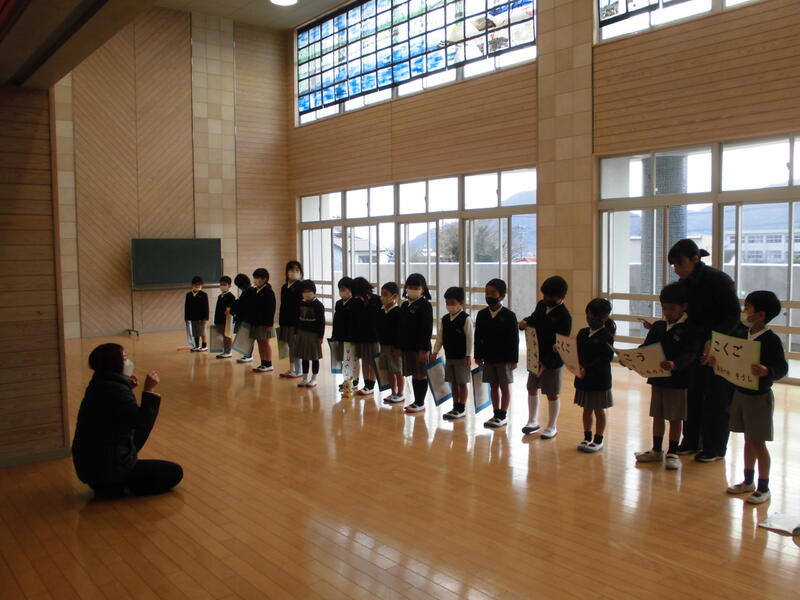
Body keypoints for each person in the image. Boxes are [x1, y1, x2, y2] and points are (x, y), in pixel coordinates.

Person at [706, 291, 788, 504]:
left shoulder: (770, 340)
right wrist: (715, 360)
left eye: (748, 308)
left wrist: (767, 371)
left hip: (759, 397)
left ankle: (764, 487)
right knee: (747, 440)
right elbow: (731, 359)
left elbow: (782, 367)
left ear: (760, 315)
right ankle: (748, 480)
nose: (744, 311)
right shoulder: (742, 334)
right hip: (740, 393)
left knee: (758, 442)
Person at [72, 343, 182, 498]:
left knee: (131, 441)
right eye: (124, 358)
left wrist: (127, 387)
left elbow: (117, 411)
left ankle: (109, 482)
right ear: (113, 363)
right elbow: (142, 422)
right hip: (107, 467)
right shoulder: (115, 390)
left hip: (91, 465)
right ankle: (116, 487)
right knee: (174, 472)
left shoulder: (100, 383)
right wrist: (149, 390)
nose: (128, 362)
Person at [667, 239, 740, 462]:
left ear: (695, 259)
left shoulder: (719, 280)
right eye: (674, 265)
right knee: (693, 395)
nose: (676, 269)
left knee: (717, 399)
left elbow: (733, 316)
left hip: (720, 346)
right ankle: (691, 441)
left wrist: (714, 340)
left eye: (680, 264)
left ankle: (714, 448)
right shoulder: (685, 283)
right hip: (695, 345)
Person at [634, 282, 699, 470]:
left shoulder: (690, 328)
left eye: (672, 308)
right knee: (657, 414)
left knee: (675, 418)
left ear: (683, 307)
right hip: (657, 379)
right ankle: (656, 450)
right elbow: (645, 348)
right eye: (664, 308)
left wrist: (675, 364)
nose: (667, 312)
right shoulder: (658, 327)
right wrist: (631, 359)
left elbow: (691, 354)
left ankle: (672, 451)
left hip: (678, 381)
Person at [518, 275, 571, 438]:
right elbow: (534, 319)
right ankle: (532, 420)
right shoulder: (542, 305)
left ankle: (552, 426)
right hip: (536, 356)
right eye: (545, 295)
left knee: (552, 393)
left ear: (562, 296)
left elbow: (561, 345)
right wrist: (525, 322)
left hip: (552, 362)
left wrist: (546, 364)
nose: (547, 298)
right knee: (531, 388)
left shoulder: (565, 316)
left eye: (551, 296)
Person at [474, 278, 519, 428]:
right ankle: (495, 413)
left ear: (502, 296)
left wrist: (513, 359)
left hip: (504, 358)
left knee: (504, 386)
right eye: (487, 293)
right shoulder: (482, 314)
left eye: (493, 293)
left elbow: (514, 340)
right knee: (493, 386)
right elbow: (478, 336)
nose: (489, 296)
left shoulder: (509, 315)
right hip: (488, 357)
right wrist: (478, 355)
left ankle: (502, 415)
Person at [574, 298, 615, 453]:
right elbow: (575, 351)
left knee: (599, 410)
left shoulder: (607, 335)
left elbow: (605, 358)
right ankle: (587, 436)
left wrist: (588, 368)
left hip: (599, 379)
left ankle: (598, 439)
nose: (590, 317)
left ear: (604, 317)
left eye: (593, 315)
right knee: (586, 409)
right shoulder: (583, 333)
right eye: (588, 314)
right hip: (583, 377)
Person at [433, 286, 473, 420]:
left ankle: (462, 408)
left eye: (452, 302)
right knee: (453, 383)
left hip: (462, 358)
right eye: (447, 303)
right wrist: (435, 351)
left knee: (462, 383)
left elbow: (470, 339)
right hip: (449, 356)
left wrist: (468, 355)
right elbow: (440, 336)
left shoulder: (466, 319)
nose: (449, 305)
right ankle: (455, 406)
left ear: (460, 303)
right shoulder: (445, 319)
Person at [400, 273, 434, 414]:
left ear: (423, 289)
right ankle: (416, 401)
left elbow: (427, 329)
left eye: (416, 287)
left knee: (421, 374)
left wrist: (424, 349)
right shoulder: (404, 305)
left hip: (420, 347)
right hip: (408, 346)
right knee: (414, 374)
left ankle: (420, 402)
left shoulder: (425, 305)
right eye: (410, 287)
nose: (412, 290)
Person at [352, 276, 382, 397]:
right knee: (365, 360)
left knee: (373, 361)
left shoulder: (377, 300)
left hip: (374, 337)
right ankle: (366, 385)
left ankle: (371, 385)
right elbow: (355, 320)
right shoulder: (356, 302)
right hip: (362, 336)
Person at [331, 277, 362, 390]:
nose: (342, 292)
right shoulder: (339, 303)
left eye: (344, 289)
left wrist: (356, 337)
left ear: (350, 290)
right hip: (341, 336)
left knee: (354, 359)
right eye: (340, 289)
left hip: (352, 337)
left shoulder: (356, 303)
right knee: (345, 359)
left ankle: (355, 380)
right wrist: (334, 335)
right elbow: (336, 320)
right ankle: (346, 379)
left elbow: (357, 322)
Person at [295, 279, 326, 388]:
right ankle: (304, 378)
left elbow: (322, 322)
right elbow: (297, 318)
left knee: (314, 357)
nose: (306, 293)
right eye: (304, 291)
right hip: (302, 333)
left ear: (313, 291)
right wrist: (296, 332)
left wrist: (320, 336)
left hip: (313, 335)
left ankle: (314, 378)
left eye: (308, 290)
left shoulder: (318, 305)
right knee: (304, 356)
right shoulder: (301, 303)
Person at [378, 282, 404, 403]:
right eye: (381, 293)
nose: (382, 296)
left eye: (385, 294)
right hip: (384, 345)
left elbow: (400, 332)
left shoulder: (398, 312)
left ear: (394, 296)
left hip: (394, 347)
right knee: (389, 370)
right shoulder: (382, 310)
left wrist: (398, 347)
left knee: (397, 370)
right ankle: (393, 392)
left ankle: (400, 393)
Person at [278, 260, 304, 379]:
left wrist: (299, 324)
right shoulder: (284, 287)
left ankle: (299, 370)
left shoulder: (300, 287)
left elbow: (301, 307)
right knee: (289, 345)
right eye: (292, 270)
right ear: (287, 272)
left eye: (297, 270)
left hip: (296, 322)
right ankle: (292, 368)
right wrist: (281, 322)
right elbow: (282, 305)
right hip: (286, 321)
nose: (294, 272)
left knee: (295, 346)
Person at [251, 267, 276, 373]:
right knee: (260, 343)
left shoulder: (268, 292)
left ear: (264, 279)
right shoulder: (255, 290)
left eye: (257, 278)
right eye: (255, 277)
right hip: (257, 322)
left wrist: (269, 324)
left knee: (265, 343)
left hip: (265, 323)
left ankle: (269, 363)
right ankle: (263, 363)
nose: (255, 280)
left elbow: (271, 309)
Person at [231, 273, 256, 363]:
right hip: (244, 318)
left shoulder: (250, 291)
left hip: (248, 318)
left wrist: (236, 304)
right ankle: (247, 355)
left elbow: (243, 304)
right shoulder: (246, 291)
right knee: (245, 337)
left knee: (248, 338)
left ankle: (248, 355)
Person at [185, 275, 209, 352]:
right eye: (196, 284)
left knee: (202, 332)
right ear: (192, 285)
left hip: (202, 318)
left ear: (202, 285)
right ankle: (197, 346)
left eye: (199, 284)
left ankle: (204, 346)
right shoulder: (188, 295)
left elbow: (206, 307)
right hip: (193, 317)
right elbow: (187, 307)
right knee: (195, 332)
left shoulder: (204, 294)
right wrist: (186, 317)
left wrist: (206, 318)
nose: (197, 286)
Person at [214, 275, 236, 359]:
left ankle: (228, 351)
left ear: (229, 285)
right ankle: (225, 351)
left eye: (224, 284)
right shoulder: (220, 296)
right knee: (223, 336)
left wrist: (229, 311)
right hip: (219, 319)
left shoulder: (231, 296)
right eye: (221, 284)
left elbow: (231, 309)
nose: (222, 286)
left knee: (227, 336)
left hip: (227, 320)